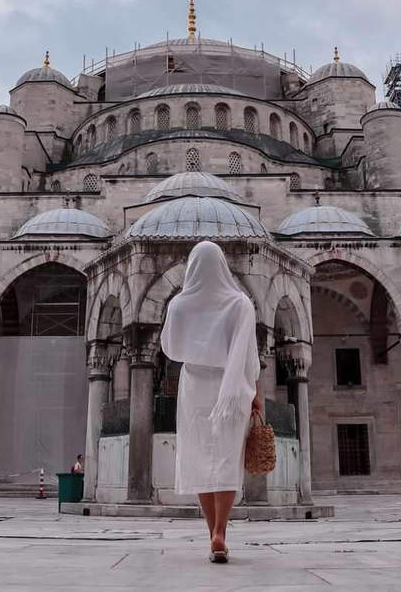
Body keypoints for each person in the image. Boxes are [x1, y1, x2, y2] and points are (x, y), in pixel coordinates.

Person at [161, 241, 261, 563]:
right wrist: (255, 393)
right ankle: (222, 530)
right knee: (227, 459)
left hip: (195, 388)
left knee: (200, 458)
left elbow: (170, 348)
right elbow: (248, 355)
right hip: (231, 388)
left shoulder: (179, 305)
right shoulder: (240, 303)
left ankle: (212, 535)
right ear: (222, 265)